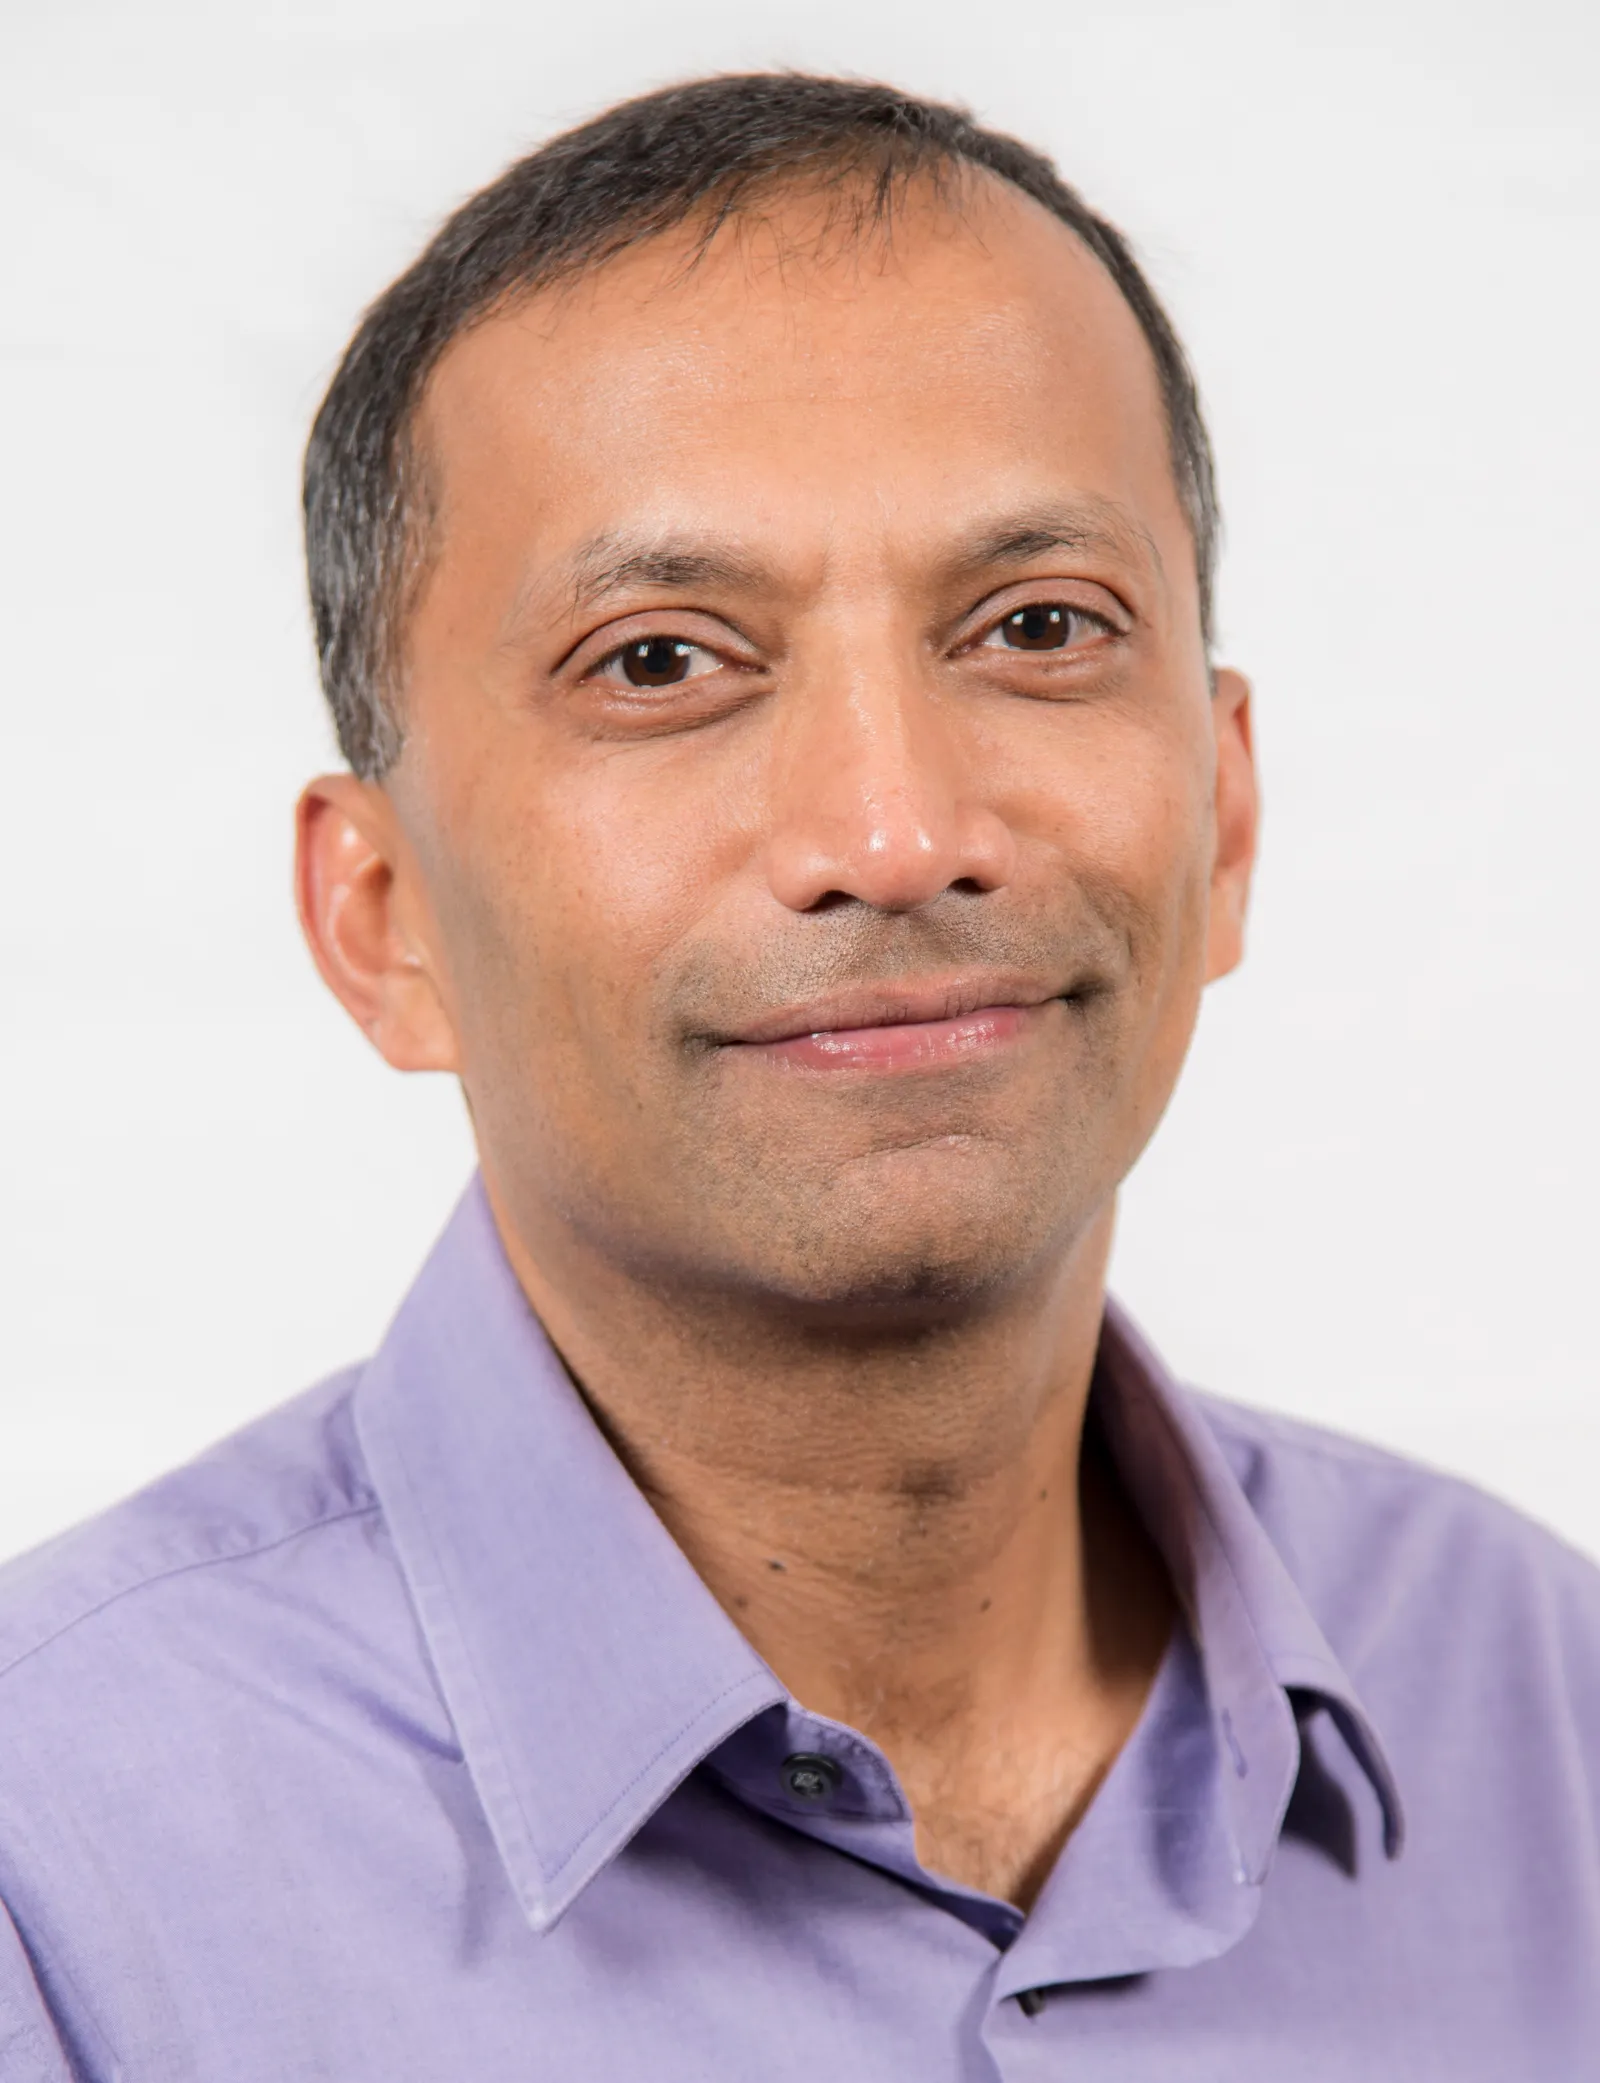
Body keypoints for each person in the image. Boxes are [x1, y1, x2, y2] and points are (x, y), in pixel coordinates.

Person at [1, 72, 1595, 2082]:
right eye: (660, 660)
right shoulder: (54, 1875)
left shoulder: (1547, 1713)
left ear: (1229, 818)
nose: (894, 827)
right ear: (381, 915)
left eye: (1034, 626)